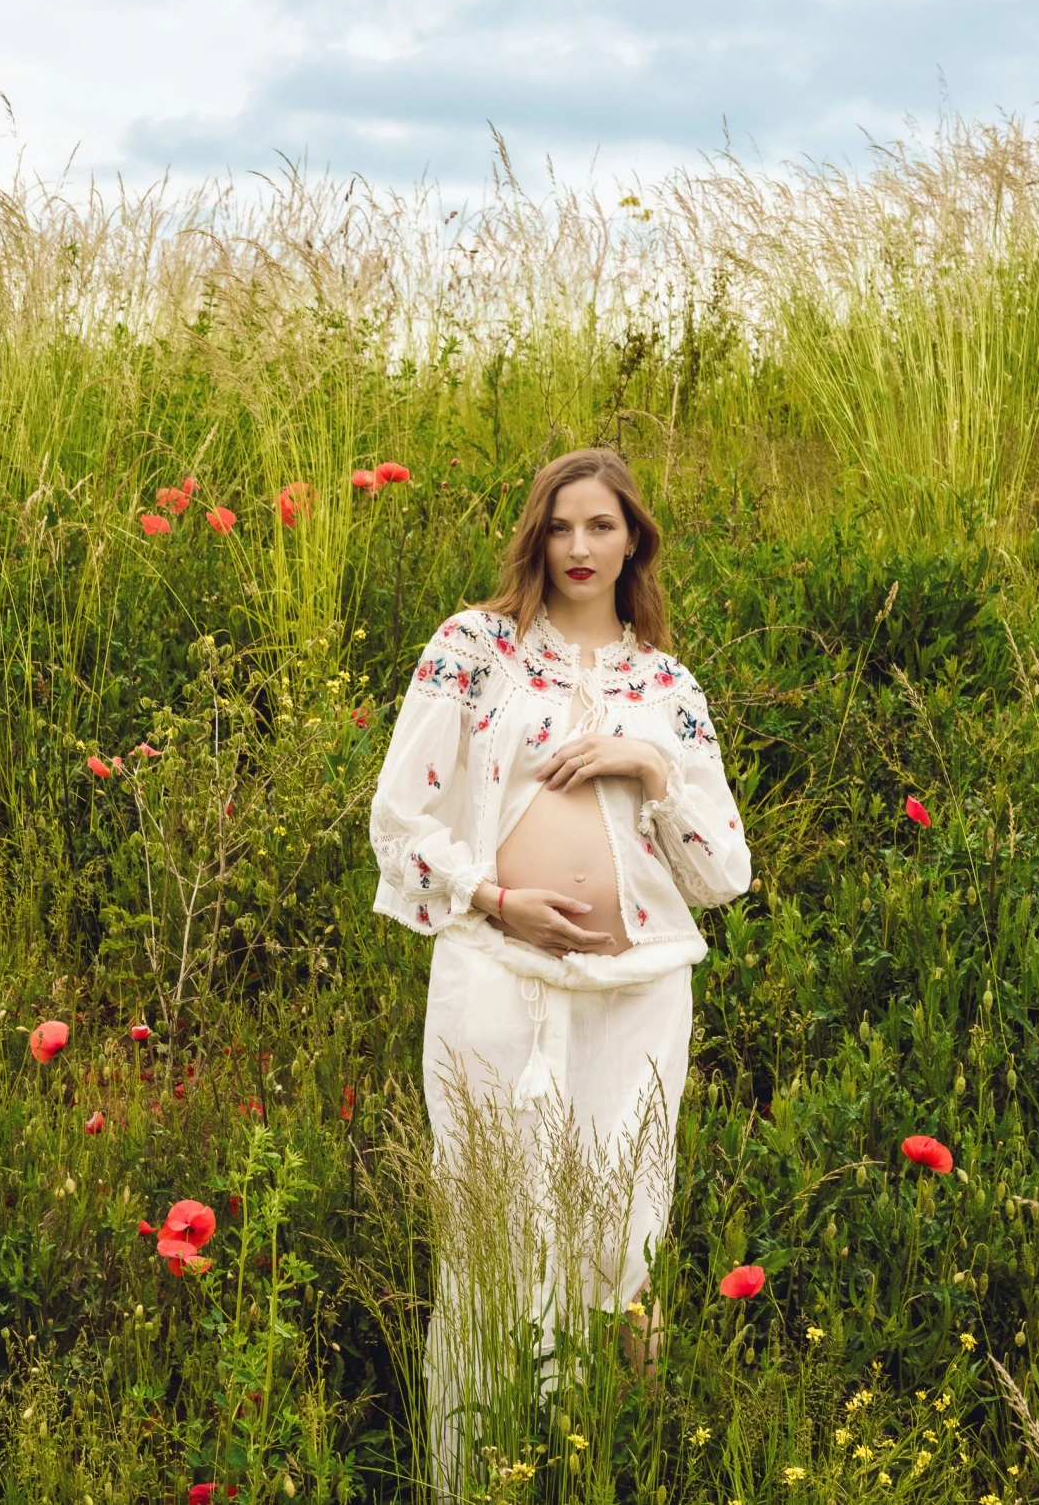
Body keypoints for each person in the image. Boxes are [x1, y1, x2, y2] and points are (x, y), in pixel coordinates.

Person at [368, 446, 751, 1487]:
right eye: (559, 526)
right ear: (535, 535)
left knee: (621, 1240)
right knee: (496, 1238)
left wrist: (650, 767)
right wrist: (496, 898)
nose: (579, 548)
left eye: (601, 526)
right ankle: (473, 1477)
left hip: (637, 1000)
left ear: (634, 540)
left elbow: (722, 873)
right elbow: (397, 821)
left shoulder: (667, 686)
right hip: (494, 977)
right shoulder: (474, 648)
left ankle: (597, 1469)